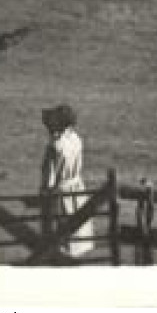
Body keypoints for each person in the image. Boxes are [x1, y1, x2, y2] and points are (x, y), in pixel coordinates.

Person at [39, 104, 94, 260]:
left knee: (61, 232)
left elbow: (49, 177)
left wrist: (44, 192)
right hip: (77, 186)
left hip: (61, 190)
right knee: (76, 228)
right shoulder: (76, 139)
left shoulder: (55, 146)